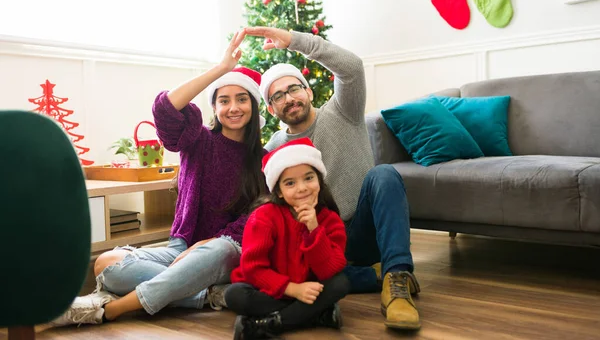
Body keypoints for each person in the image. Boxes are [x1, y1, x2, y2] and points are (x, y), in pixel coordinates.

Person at [51, 30, 267, 326]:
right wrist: (221, 69)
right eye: (224, 100)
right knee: (105, 264)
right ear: (214, 108)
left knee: (218, 248)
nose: (233, 108)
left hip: (223, 252)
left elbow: (255, 221)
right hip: (179, 247)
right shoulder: (198, 139)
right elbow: (164, 109)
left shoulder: (264, 158)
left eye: (242, 99)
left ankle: (115, 307)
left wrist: (205, 246)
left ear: (253, 106)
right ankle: (210, 295)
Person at [247, 26, 421, 330]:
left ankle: (396, 283)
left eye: (293, 89)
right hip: (317, 244)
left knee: (384, 174)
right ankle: (377, 274)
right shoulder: (274, 148)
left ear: (308, 91)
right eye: (277, 96)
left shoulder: (342, 111)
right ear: (272, 108)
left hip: (363, 230)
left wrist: (294, 41)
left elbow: (352, 68)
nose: (288, 98)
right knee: (308, 277)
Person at [225, 137, 350, 339]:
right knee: (235, 295)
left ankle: (268, 324)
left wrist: (313, 229)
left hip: (309, 289)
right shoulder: (264, 217)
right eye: (290, 183)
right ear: (279, 192)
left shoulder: (330, 220)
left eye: (309, 178)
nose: (301, 188)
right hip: (270, 289)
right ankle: (317, 315)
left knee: (340, 283)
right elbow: (253, 269)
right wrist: (293, 289)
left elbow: (329, 270)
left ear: (319, 180)